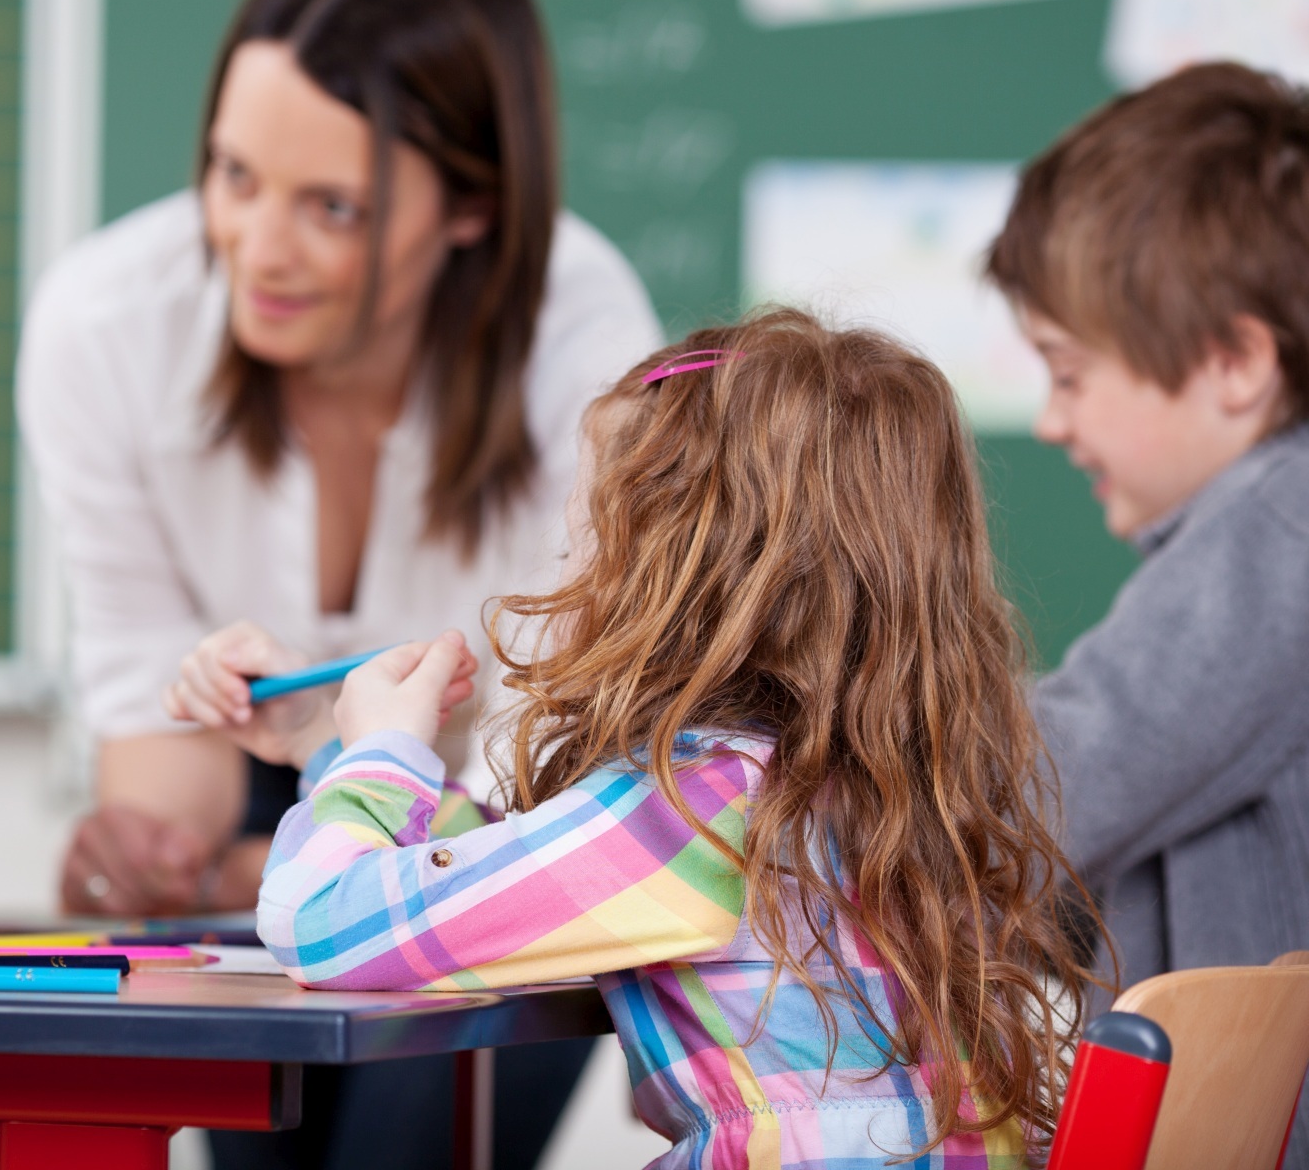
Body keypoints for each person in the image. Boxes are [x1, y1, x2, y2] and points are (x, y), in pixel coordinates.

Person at [22, 0, 659, 1168]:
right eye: (233, 176)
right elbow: (171, 778)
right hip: (282, 793)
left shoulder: (587, 348)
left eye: (332, 206)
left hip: (514, 807)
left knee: (406, 1151)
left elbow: (574, 750)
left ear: (472, 204)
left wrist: (339, 839)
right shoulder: (104, 325)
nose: (259, 248)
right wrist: (155, 849)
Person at [235, 311, 1096, 1168]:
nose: (567, 577)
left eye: (585, 543)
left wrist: (379, 756)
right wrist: (322, 743)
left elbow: (316, 923)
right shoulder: (860, 788)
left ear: (669, 576)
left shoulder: (692, 811)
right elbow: (522, 864)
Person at [984, 62, 1309, 1163]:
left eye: (1070, 373)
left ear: (1234, 359)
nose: (1051, 418)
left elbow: (1045, 793)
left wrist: (843, 728)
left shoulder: (1282, 531)